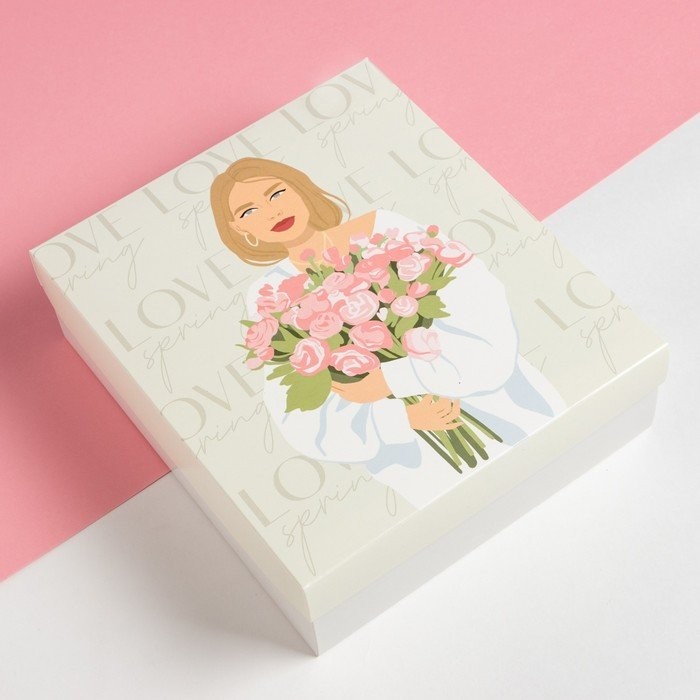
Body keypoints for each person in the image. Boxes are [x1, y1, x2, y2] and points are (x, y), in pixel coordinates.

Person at [210, 157, 568, 509]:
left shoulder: (385, 231)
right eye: (249, 212)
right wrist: (399, 418)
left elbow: (480, 309)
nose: (271, 212)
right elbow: (295, 407)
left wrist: (394, 379)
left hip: (505, 405)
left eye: (276, 193)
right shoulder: (269, 294)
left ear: (300, 187)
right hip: (419, 462)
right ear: (239, 229)